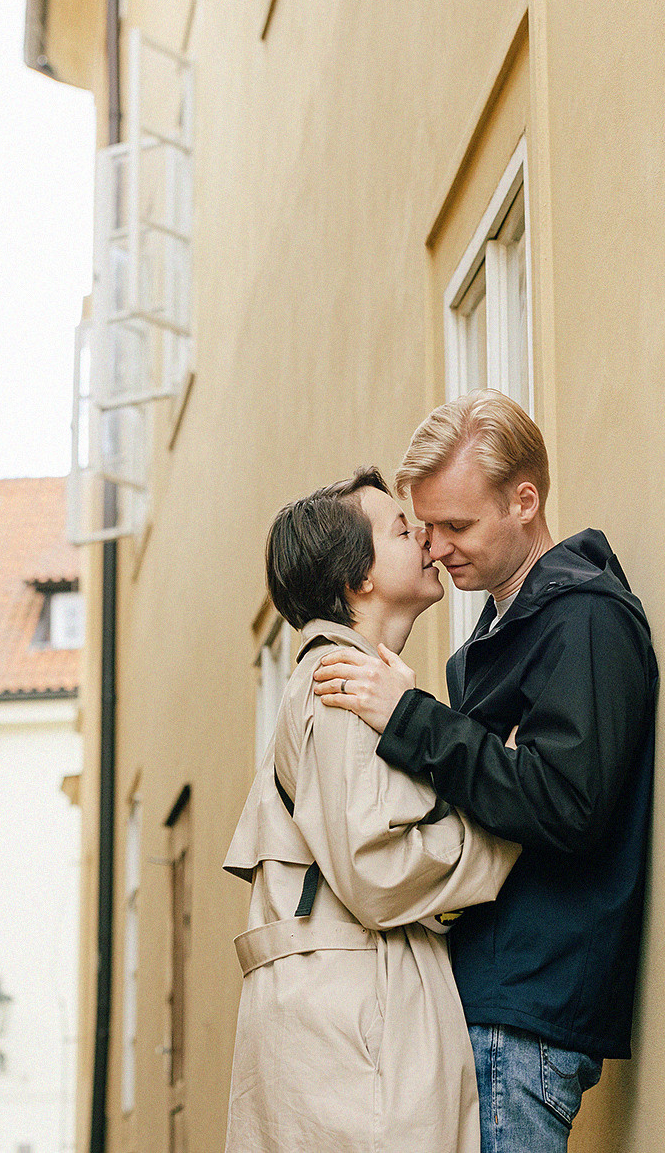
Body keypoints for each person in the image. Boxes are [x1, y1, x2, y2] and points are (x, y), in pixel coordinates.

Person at [314, 391, 658, 1153]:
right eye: (425, 526)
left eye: (456, 526)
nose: (434, 547)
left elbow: (567, 803)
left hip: (525, 1012)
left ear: (524, 501)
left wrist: (411, 718)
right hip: (487, 1000)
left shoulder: (586, 618)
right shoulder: (489, 641)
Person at [224, 468, 520, 1153]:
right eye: (399, 527)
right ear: (359, 576)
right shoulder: (341, 688)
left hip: (345, 1024)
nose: (422, 535)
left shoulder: (350, 681)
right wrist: (509, 813)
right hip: (356, 1035)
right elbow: (377, 872)